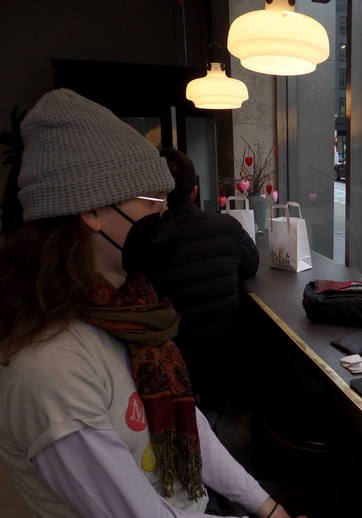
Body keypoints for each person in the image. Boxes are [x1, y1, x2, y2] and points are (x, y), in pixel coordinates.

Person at [0, 89, 301, 518]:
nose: (164, 217)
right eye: (152, 201)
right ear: (91, 211)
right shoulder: (51, 371)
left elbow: (190, 424)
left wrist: (267, 508)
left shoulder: (129, 313)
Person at [149, 148, 259, 416]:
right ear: (194, 191)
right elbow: (251, 266)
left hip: (170, 366)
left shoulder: (146, 242)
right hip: (224, 357)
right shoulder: (227, 226)